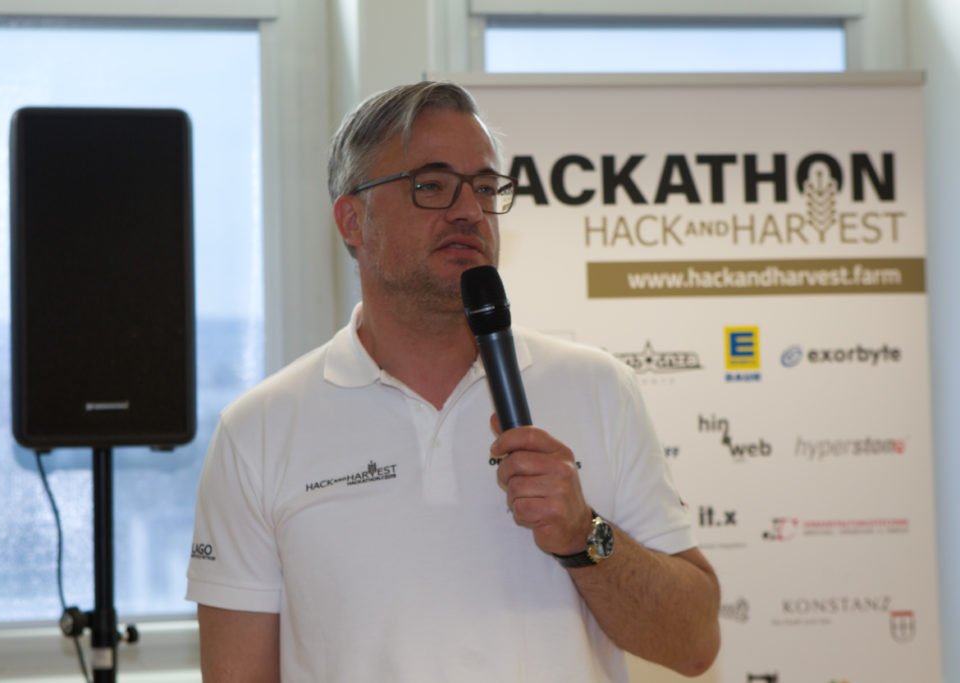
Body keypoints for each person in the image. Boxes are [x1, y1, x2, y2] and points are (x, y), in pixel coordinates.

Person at [186, 81, 720, 683]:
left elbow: (693, 643)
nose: (469, 210)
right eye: (432, 185)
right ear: (352, 219)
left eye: (485, 188)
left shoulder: (598, 388)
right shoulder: (257, 431)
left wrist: (583, 534)